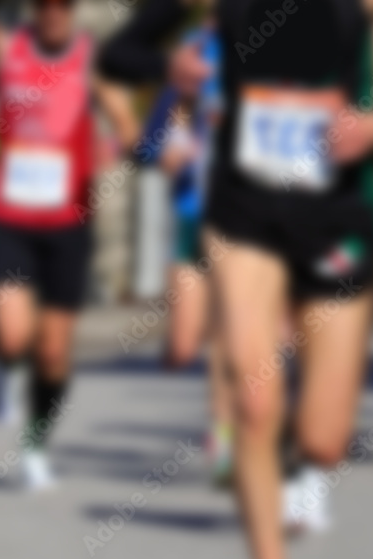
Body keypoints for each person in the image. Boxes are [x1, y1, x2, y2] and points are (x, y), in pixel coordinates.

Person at [97, 0, 373, 559]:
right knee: (256, 403)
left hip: (337, 214)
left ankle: (292, 460)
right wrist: (166, 68)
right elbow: (115, 55)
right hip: (244, 212)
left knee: (323, 439)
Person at [0, 0, 140, 488]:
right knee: (13, 335)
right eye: (43, 5)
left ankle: (35, 443)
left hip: (68, 223)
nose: (53, 13)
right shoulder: (4, 48)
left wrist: (115, 146)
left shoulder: (88, 56)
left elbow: (126, 122)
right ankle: (4, 365)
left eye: (62, 5)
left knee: (54, 353)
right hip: (12, 217)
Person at [145, 19, 235, 484]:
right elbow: (168, 113)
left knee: (228, 333)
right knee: (181, 347)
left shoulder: (284, 38)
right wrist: (167, 144)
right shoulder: (198, 43)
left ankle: (223, 434)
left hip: (247, 216)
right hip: (194, 209)